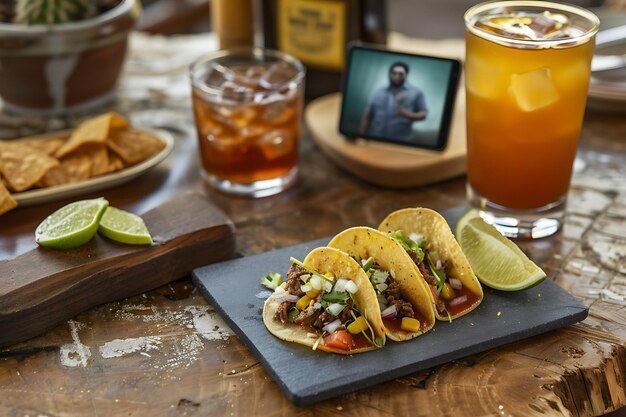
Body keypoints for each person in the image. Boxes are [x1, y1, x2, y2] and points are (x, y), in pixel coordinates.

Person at [360, 62, 428, 141]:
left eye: (400, 74)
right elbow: (367, 116)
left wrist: (406, 114)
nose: (397, 76)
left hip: (401, 143)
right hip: (376, 140)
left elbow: (423, 115)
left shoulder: (416, 93)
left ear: (407, 75)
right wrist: (362, 137)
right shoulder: (379, 91)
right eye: (394, 73)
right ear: (390, 74)